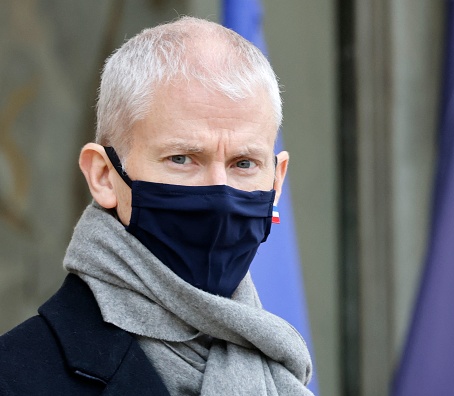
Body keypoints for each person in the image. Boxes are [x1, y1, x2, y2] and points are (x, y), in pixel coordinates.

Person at [0, 16, 313, 395]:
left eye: (243, 164)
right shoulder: (15, 377)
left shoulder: (282, 377)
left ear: (276, 181)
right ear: (103, 176)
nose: (219, 194)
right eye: (182, 158)